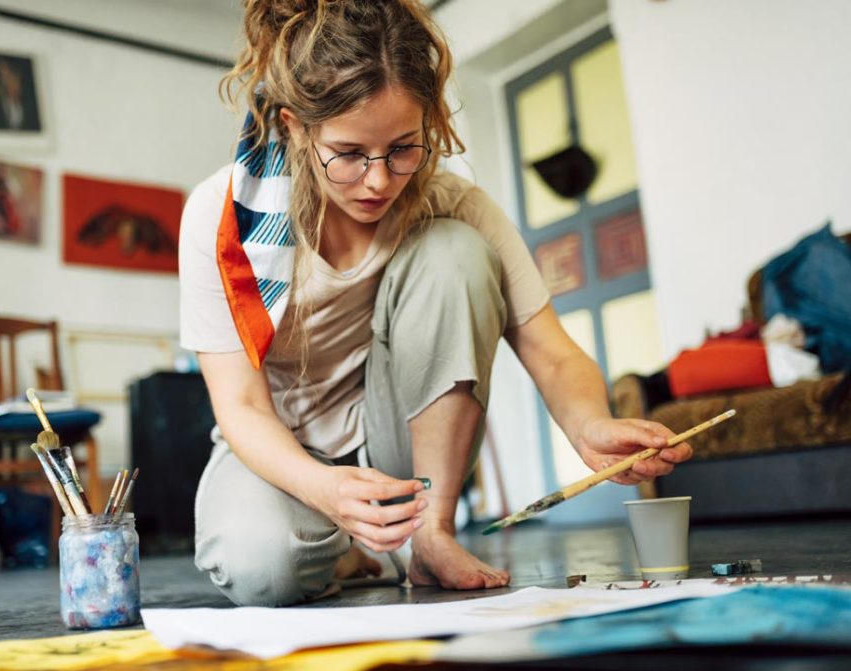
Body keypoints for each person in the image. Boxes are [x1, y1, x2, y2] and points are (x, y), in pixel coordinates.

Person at [178, 0, 692, 607]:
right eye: (348, 154)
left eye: (403, 147)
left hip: (401, 443)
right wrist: (324, 489)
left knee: (457, 251)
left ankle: (432, 533)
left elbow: (552, 352)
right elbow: (239, 405)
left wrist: (590, 424)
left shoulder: (450, 200)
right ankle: (349, 550)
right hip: (283, 444)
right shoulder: (223, 216)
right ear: (294, 127)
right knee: (263, 571)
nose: (378, 180)